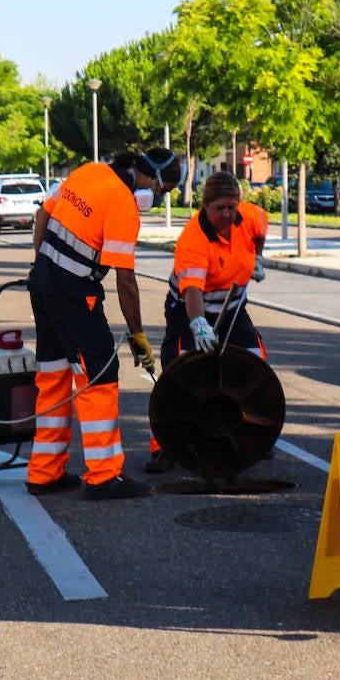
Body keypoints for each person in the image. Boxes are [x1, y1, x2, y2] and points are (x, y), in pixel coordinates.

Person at [25, 147, 181, 500]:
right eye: (163, 190)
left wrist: (40, 269)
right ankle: (104, 475)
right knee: (99, 374)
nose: (160, 197)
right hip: (74, 293)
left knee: (53, 376)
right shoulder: (124, 205)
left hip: (44, 285)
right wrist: (138, 336)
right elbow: (125, 282)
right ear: (148, 179)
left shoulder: (88, 170)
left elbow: (41, 218)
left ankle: (44, 472)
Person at [146, 172, 269, 473]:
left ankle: (252, 436)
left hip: (233, 307)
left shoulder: (248, 216)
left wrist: (258, 256)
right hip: (190, 308)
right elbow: (192, 293)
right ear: (205, 206)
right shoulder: (193, 240)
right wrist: (199, 325)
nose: (227, 214)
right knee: (182, 370)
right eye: (220, 208)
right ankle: (164, 445)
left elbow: (260, 229)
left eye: (232, 207)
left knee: (255, 363)